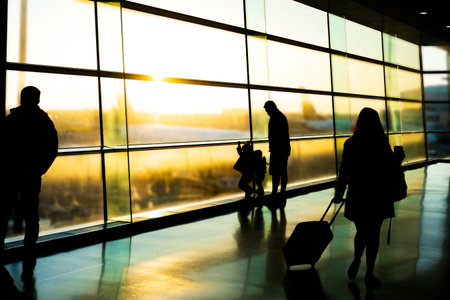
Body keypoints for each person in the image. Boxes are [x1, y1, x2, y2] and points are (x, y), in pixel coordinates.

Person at [332, 107, 404, 288]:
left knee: (361, 231)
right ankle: (370, 272)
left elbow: (344, 171)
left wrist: (339, 194)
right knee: (374, 235)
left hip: (358, 192)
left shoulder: (350, 144)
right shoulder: (381, 143)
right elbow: (389, 168)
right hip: (379, 193)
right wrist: (398, 159)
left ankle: (357, 258)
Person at [1, 86, 58, 276]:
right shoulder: (43, 121)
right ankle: (29, 249)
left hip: (11, 173)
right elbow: (52, 148)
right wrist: (39, 169)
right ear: (37, 100)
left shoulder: (12, 120)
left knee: (5, 210)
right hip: (31, 174)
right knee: (31, 212)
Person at [264, 100, 290, 197]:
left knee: (276, 172)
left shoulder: (276, 118)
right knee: (282, 172)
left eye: (267, 110)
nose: (267, 113)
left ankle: (276, 192)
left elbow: (276, 136)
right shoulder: (280, 117)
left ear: (271, 108)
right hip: (282, 149)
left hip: (278, 150)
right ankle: (281, 192)